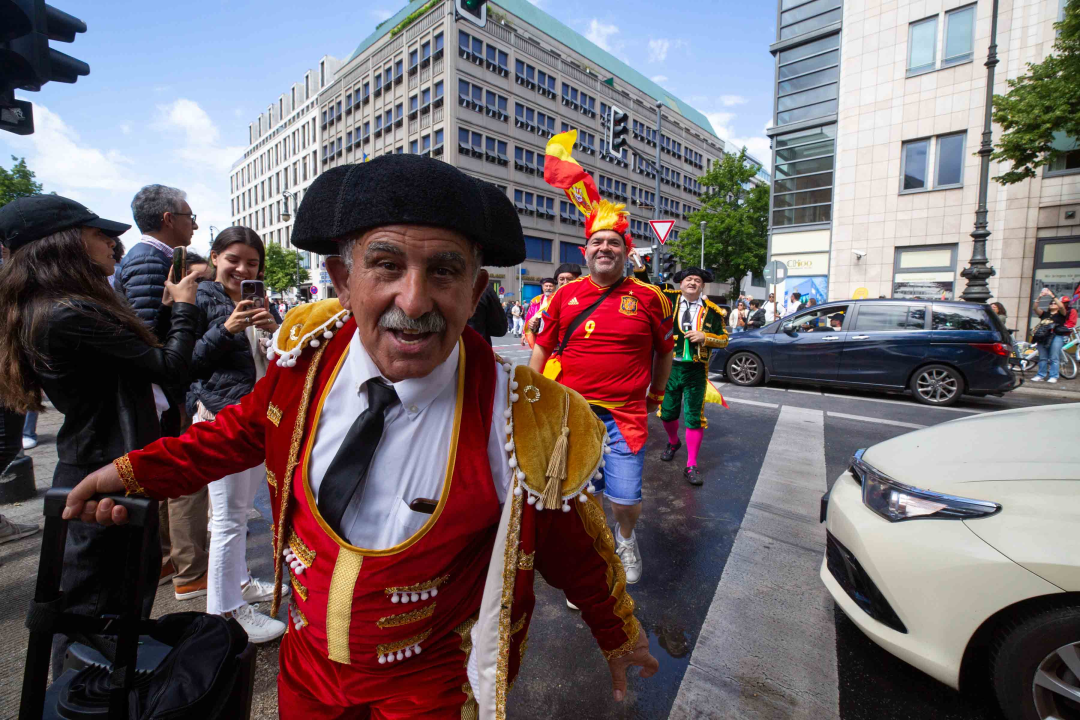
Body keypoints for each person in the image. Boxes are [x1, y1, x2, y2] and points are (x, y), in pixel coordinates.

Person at [62, 156, 657, 717]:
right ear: (343, 280)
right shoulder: (309, 359)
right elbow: (234, 436)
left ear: (476, 293)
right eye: (387, 265)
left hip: (429, 688)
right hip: (305, 669)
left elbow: (572, 547)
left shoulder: (526, 418)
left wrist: (617, 633)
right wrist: (128, 472)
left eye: (445, 271)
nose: (415, 300)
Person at [0, 194, 199, 675]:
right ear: (63, 245)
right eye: (98, 234)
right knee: (96, 610)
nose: (114, 242)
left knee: (109, 601)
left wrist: (171, 310)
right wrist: (186, 308)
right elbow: (168, 368)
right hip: (105, 466)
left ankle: (94, 692)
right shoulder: (68, 312)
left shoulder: (55, 306)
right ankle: (83, 696)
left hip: (99, 458)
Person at [533, 130, 674, 584]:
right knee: (582, 492)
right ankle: (594, 560)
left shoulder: (650, 298)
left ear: (626, 251)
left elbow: (665, 351)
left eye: (614, 242)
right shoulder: (565, 296)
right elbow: (542, 347)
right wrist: (532, 396)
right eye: (598, 243)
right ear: (585, 250)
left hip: (626, 414)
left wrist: (657, 391)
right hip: (573, 412)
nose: (605, 249)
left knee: (625, 497)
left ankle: (626, 539)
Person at [188, 226, 286, 640]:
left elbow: (284, 352)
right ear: (215, 258)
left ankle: (241, 582)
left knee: (241, 512)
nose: (242, 269)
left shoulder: (257, 299)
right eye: (234, 260)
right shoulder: (199, 298)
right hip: (222, 422)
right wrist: (227, 328)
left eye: (252, 263)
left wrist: (274, 328)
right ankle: (225, 612)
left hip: (253, 419)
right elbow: (187, 360)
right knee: (228, 519)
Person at [647, 267, 728, 486]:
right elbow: (647, 289)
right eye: (688, 279)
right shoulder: (668, 299)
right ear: (680, 283)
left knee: (694, 416)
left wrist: (706, 336)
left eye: (697, 280)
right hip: (668, 367)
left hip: (695, 370)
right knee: (667, 414)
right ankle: (673, 442)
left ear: (702, 286)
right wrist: (639, 267)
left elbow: (724, 339)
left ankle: (691, 464)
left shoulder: (713, 311)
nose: (692, 282)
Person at [1030, 290, 1077, 383]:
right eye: (1051, 303)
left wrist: (1052, 296)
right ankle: (1040, 375)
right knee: (1043, 357)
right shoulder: (1045, 314)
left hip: (1056, 336)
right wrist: (1039, 297)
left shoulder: (1062, 314)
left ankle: (1054, 376)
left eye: (1054, 303)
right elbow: (1035, 308)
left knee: (1054, 357)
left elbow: (1061, 306)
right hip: (1043, 336)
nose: (1052, 304)